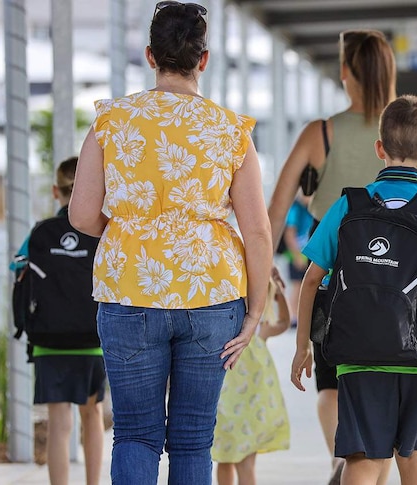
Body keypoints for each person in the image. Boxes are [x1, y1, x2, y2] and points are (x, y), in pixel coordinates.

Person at [69, 2, 272, 483]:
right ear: (204, 59)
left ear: (149, 55)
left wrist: (132, 233)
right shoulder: (230, 130)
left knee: (136, 434)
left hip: (129, 293)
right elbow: (258, 230)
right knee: (192, 439)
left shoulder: (111, 121)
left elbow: (80, 214)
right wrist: (255, 312)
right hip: (212, 295)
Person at [291, 95, 417, 485]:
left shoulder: (350, 205)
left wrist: (304, 344)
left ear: (379, 148)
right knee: (415, 459)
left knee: (362, 460)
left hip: (357, 354)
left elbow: (313, 279)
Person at [266, 29, 417, 485]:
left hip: (335, 288)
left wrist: (262, 267)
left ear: (345, 72)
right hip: (407, 298)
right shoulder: (413, 132)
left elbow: (275, 209)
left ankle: (344, 458)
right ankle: (363, 467)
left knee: (332, 386)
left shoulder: (321, 133)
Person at [11, 156, 105, 485]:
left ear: (56, 191)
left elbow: (18, 270)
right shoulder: (102, 230)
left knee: (58, 422)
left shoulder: (40, 233)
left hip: (48, 340)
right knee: (91, 415)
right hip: (93, 339)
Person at [213, 276, 291, 485]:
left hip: (245, 409)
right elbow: (283, 323)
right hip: (230, 408)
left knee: (232, 461)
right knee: (226, 461)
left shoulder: (256, 330)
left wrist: (279, 295)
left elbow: (284, 322)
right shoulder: (251, 332)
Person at [282, 192, 314, 327]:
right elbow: (289, 234)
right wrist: (296, 256)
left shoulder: (311, 209)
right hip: (296, 255)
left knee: (304, 285)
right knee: (296, 286)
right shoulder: (295, 208)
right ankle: (293, 316)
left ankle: (300, 316)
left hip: (308, 254)